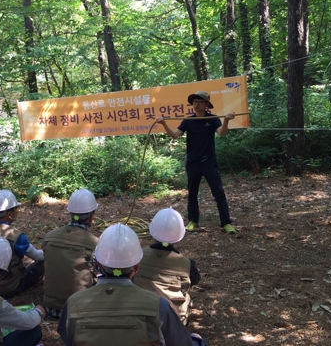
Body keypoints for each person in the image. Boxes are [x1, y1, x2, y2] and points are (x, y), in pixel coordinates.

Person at [57, 223, 207, 346]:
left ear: (98, 264)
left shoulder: (73, 304)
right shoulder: (158, 306)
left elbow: (68, 338)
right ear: (136, 267)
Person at [157, 90, 236, 234]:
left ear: (206, 104)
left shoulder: (213, 119)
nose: (196, 104)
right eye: (194, 102)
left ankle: (226, 222)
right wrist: (164, 124)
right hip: (193, 163)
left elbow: (222, 133)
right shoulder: (189, 120)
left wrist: (226, 120)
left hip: (209, 162)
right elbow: (175, 135)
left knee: (219, 193)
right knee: (192, 193)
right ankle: (193, 220)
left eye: (199, 102)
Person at [133, 207, 201, 325]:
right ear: (179, 236)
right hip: (172, 322)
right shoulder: (187, 264)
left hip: (140, 316)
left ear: (152, 232)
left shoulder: (136, 256)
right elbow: (195, 280)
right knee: (187, 296)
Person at [0, 189, 44, 298]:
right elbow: (37, 257)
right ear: (9, 213)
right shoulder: (16, 236)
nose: (18, 211)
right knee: (43, 262)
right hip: (8, 286)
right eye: (16, 208)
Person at [43, 188, 99, 319]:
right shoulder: (95, 244)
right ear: (91, 217)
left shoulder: (49, 237)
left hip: (49, 307)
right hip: (79, 309)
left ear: (71, 214)